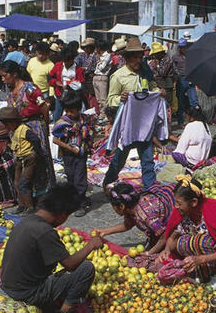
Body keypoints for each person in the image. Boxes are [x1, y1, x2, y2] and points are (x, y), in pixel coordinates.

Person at [0, 184, 101, 313]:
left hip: (10, 286)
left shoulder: (28, 221)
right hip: (27, 294)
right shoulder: (45, 232)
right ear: (62, 214)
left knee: (62, 271)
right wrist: (90, 245)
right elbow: (70, 265)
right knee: (85, 268)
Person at [148, 175, 216, 286]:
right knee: (181, 243)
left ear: (194, 202)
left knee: (201, 242)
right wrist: (166, 250)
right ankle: (203, 271)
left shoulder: (214, 212)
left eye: (179, 203)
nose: (176, 207)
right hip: (205, 243)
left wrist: (200, 260)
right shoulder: (182, 212)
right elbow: (172, 236)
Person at [104, 37, 165, 189]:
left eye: (140, 57)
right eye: (135, 57)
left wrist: (159, 92)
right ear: (126, 58)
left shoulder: (145, 73)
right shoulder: (118, 76)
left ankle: (150, 189)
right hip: (127, 126)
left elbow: (152, 88)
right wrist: (121, 98)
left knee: (147, 159)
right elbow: (110, 100)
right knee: (119, 158)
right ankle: (108, 182)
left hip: (144, 125)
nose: (139, 60)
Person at [1, 60, 55, 192]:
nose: (3, 79)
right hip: (17, 130)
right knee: (22, 161)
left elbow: (43, 107)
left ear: (14, 74)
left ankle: (44, 191)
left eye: (5, 75)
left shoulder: (30, 88)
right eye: (1, 76)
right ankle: (26, 195)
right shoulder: (10, 91)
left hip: (34, 127)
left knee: (38, 158)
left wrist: (45, 126)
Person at [95, 182, 176, 249]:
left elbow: (164, 235)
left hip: (172, 198)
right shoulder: (131, 207)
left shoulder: (146, 215)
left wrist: (149, 253)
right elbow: (128, 225)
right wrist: (104, 232)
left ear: (121, 206)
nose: (113, 209)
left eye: (113, 206)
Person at [52, 90, 93, 216]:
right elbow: (55, 140)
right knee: (70, 177)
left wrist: (88, 145)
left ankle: (81, 203)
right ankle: (75, 200)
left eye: (72, 111)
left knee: (80, 178)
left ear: (78, 109)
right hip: (68, 154)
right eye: (67, 111)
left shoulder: (84, 120)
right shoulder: (62, 123)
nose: (69, 114)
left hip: (81, 154)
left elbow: (90, 133)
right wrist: (69, 148)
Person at [0, 106, 42, 214]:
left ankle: (30, 207)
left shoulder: (23, 129)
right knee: (16, 183)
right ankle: (22, 204)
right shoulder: (14, 131)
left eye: (7, 123)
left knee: (23, 183)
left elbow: (35, 140)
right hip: (19, 159)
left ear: (14, 122)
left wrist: (35, 153)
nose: (5, 126)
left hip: (28, 159)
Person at [48, 48, 85, 121]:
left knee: (72, 115)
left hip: (72, 96)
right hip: (59, 94)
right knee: (57, 115)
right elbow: (50, 78)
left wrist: (71, 83)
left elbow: (81, 83)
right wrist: (56, 82)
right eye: (64, 61)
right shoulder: (58, 66)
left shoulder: (78, 69)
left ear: (73, 59)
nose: (66, 63)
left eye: (68, 61)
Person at [92, 41, 112, 120]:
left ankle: (105, 115)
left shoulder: (107, 56)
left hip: (102, 77)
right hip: (96, 77)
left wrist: (99, 59)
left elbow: (102, 67)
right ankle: (101, 114)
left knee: (103, 99)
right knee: (99, 99)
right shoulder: (98, 56)